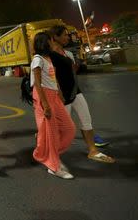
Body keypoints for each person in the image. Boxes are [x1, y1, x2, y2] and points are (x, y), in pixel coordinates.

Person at [49, 25, 115, 163]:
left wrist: (76, 66)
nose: (68, 37)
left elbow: (72, 72)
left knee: (86, 120)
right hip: (62, 96)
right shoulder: (50, 55)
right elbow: (52, 76)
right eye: (65, 35)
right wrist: (59, 93)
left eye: (68, 35)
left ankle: (93, 150)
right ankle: (50, 153)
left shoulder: (68, 54)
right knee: (62, 128)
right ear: (55, 37)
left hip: (75, 91)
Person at [30, 32, 76, 179]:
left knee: (69, 128)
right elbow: (37, 83)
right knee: (52, 134)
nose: (53, 42)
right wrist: (45, 104)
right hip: (44, 96)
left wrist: (59, 92)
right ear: (45, 42)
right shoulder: (37, 59)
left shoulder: (47, 58)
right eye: (51, 40)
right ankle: (53, 166)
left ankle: (49, 154)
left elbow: (52, 78)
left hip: (54, 95)